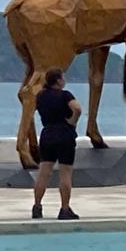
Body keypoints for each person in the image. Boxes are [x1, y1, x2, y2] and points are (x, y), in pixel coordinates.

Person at [32, 68, 82, 221]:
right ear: (58, 80)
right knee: (65, 173)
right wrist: (72, 122)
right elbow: (77, 109)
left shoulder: (41, 96)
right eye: (63, 78)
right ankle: (64, 208)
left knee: (44, 172)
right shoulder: (65, 95)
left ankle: (37, 206)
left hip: (47, 134)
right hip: (64, 134)